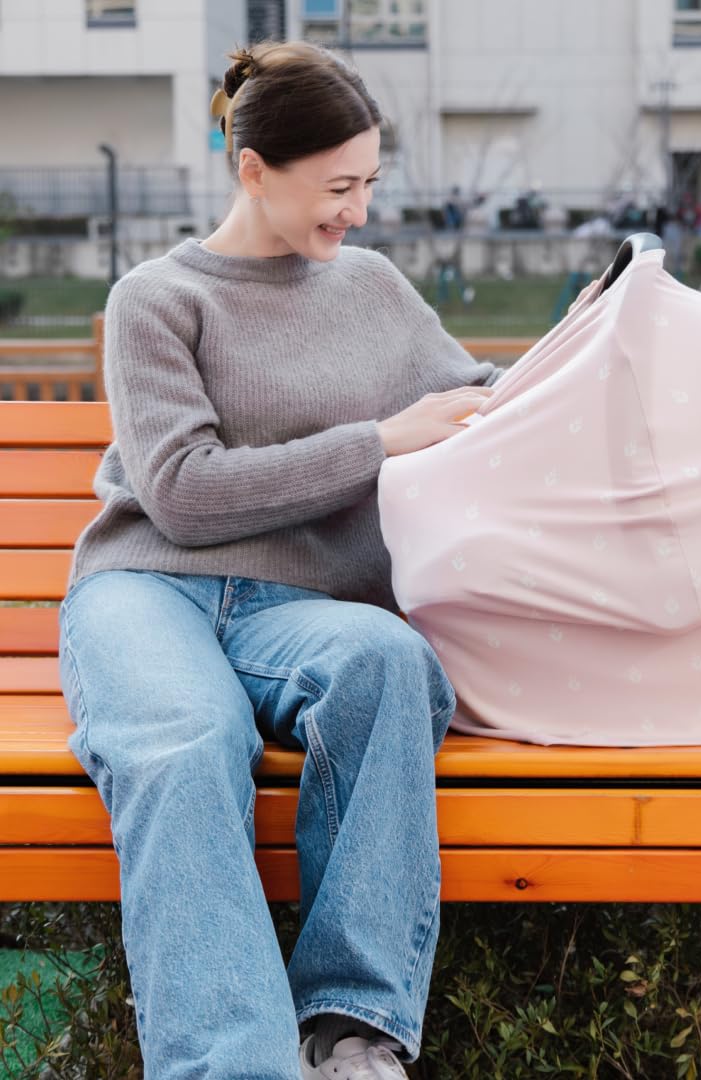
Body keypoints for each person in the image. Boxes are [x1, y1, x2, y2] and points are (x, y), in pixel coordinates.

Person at [57, 40, 508, 1079]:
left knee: (388, 667)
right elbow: (181, 490)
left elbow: (481, 398)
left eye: (369, 186)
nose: (357, 213)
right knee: (184, 743)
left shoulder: (377, 291)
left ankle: (352, 1033)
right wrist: (377, 441)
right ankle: (236, 1066)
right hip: (150, 588)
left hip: (301, 607)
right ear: (252, 168)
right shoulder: (156, 300)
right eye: (337, 187)